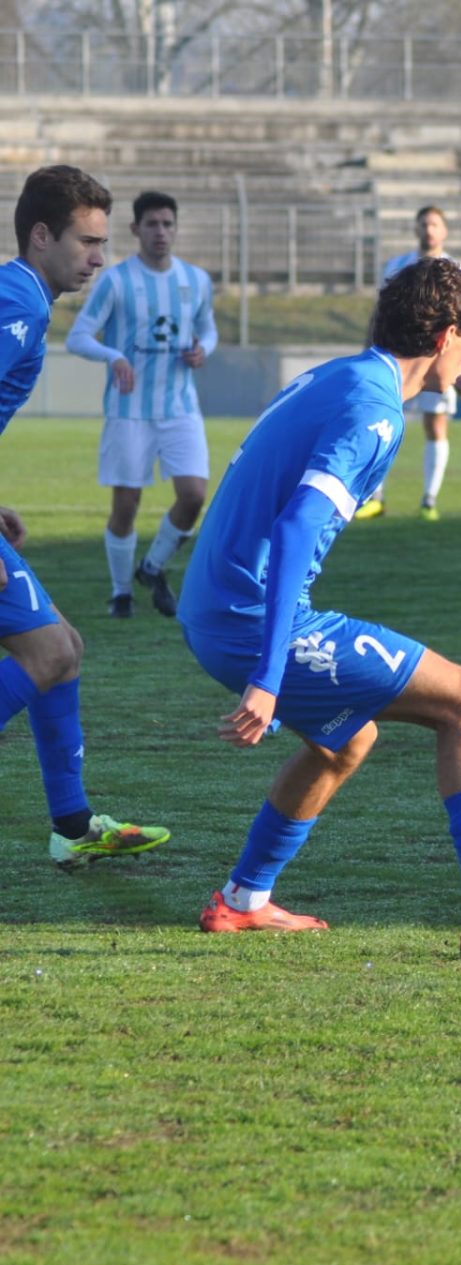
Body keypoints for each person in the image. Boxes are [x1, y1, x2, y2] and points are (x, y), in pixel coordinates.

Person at [175, 257, 461, 957]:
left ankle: (242, 900)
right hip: (246, 617)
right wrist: (270, 672)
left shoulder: (343, 375)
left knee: (348, 738)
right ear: (443, 337)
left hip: (213, 606)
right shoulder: (373, 410)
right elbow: (294, 530)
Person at [1, 165, 171, 869]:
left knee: (62, 648)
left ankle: (72, 824)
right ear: (41, 236)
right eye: (87, 241)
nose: (99, 257)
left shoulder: (19, 294)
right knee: (51, 652)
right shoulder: (18, 300)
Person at [65, 190, 216, 620]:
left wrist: (203, 349)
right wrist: (114, 356)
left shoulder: (196, 280)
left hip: (180, 406)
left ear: (176, 228)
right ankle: (120, 593)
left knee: (193, 496)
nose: (161, 232)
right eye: (152, 224)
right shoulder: (115, 281)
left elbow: (208, 330)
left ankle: (151, 567)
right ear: (135, 230)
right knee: (126, 504)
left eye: (168, 224)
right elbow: (78, 336)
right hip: (129, 410)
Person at [360, 205, 461, 520]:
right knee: (384, 422)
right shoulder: (397, 265)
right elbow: (382, 311)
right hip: (399, 357)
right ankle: (375, 497)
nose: (429, 230)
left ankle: (429, 500)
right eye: (424, 224)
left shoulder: (457, 268)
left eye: (434, 224)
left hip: (438, 360)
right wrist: (370, 346)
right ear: (416, 229)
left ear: (444, 231)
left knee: (435, 425)